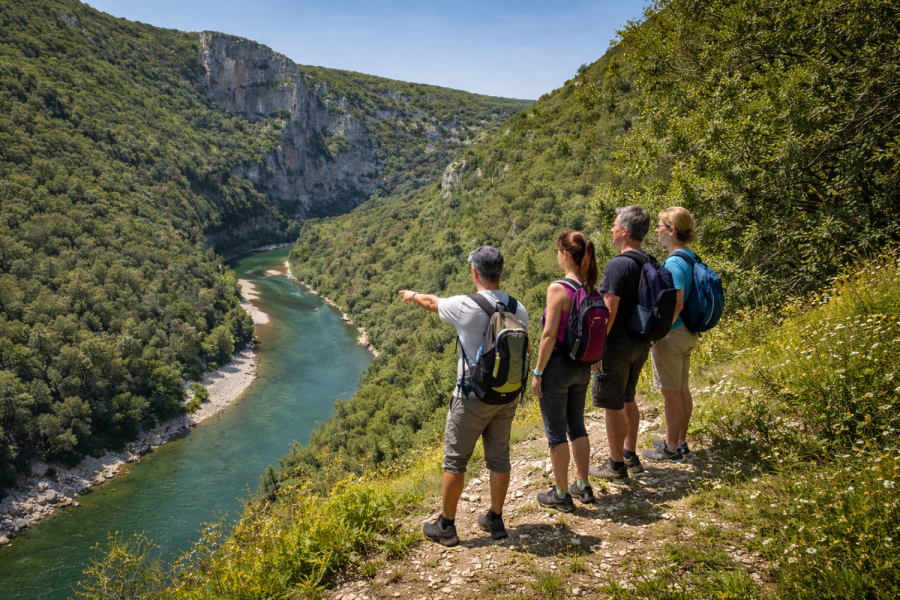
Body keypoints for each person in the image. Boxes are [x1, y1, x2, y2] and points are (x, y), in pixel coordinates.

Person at [400, 245, 528, 546]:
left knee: (455, 462)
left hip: (471, 396)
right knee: (499, 458)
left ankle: (446, 526)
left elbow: (431, 303)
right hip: (507, 395)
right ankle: (495, 519)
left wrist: (413, 296)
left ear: (474, 273)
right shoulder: (518, 308)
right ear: (501, 272)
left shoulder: (464, 306)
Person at [531, 231, 599, 512]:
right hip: (582, 366)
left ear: (566, 255)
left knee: (556, 433)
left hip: (558, 367)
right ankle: (583, 485)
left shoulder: (558, 289)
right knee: (577, 427)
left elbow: (548, 336)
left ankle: (560, 494)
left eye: (558, 251)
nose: (557, 255)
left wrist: (538, 372)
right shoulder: (591, 286)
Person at [589, 205, 652, 481]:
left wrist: (597, 347)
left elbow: (609, 310)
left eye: (614, 225)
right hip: (641, 341)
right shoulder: (648, 261)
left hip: (617, 344)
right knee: (628, 397)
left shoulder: (618, 264)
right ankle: (630, 455)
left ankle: (615, 466)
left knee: (613, 404)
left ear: (625, 231)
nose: (612, 229)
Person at [643, 207, 700, 462]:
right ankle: (680, 440)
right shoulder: (690, 256)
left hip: (673, 334)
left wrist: (659, 332)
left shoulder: (675, 261)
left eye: (660, 226)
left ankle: (671, 447)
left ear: (672, 230)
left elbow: (676, 303)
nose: (657, 230)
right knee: (681, 388)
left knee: (670, 392)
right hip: (688, 331)